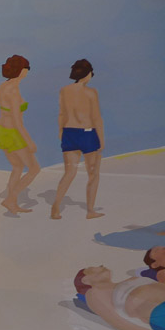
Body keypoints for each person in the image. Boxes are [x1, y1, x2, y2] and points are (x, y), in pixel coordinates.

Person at [50, 59, 104, 220]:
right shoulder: (91, 92)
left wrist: (61, 132)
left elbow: (62, 114)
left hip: (69, 133)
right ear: (88, 74)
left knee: (69, 173)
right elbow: (96, 117)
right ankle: (90, 210)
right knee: (93, 174)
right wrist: (101, 140)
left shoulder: (64, 90)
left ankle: (56, 207)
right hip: (87, 134)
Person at [75, 266, 165, 330]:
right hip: (163, 313)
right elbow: (115, 320)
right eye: (91, 270)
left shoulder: (133, 278)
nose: (101, 267)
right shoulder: (95, 293)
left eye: (100, 265)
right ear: (85, 280)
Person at [0, 55, 40, 214]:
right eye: (26, 68)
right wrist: (29, 142)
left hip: (1, 130)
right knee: (34, 169)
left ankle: (11, 202)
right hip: (12, 132)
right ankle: (10, 199)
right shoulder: (13, 90)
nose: (27, 71)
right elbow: (17, 121)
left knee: (17, 166)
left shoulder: (4, 86)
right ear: (20, 70)